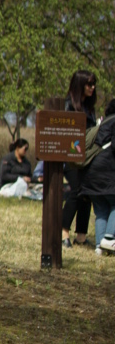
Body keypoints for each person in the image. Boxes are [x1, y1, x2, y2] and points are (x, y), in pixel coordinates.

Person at [63, 69, 97, 247]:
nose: (92, 87)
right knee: (76, 190)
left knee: (87, 193)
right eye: (89, 84)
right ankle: (63, 233)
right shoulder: (68, 104)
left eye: (94, 84)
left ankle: (81, 237)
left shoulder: (89, 108)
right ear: (80, 84)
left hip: (86, 156)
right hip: (70, 155)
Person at [80, 98, 115, 255]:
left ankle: (99, 247)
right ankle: (109, 237)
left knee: (100, 209)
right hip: (107, 171)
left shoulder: (103, 123)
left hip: (92, 172)